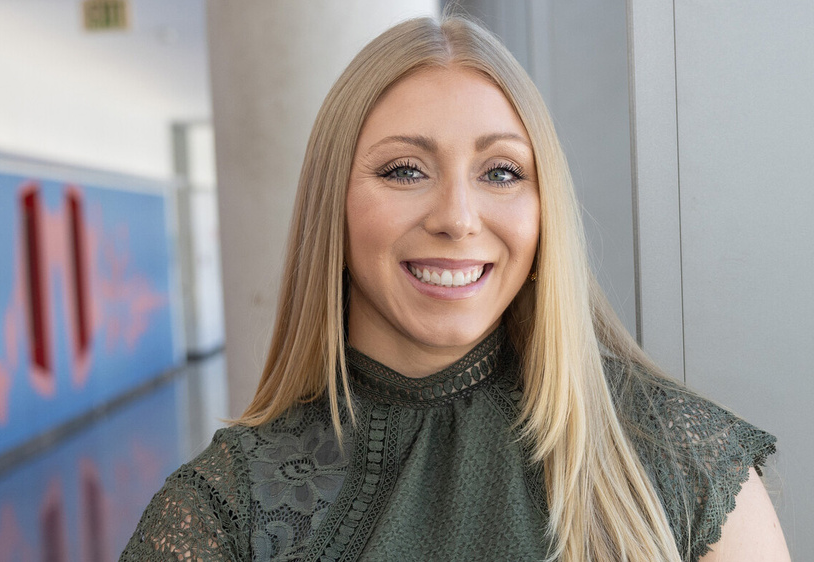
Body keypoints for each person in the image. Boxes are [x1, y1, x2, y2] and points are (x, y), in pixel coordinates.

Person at [122, 14, 789, 562]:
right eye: (406, 170)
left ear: (542, 209)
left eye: (500, 172)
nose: (457, 218)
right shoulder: (223, 509)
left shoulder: (683, 458)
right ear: (334, 207)